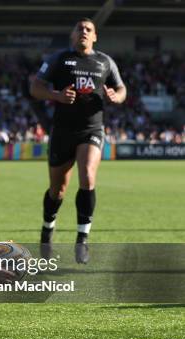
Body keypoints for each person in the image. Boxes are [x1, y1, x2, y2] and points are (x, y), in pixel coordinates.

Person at [30, 18, 126, 263]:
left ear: (95, 37)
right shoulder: (58, 59)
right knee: (57, 190)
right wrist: (56, 95)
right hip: (63, 131)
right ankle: (47, 229)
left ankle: (82, 239)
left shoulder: (105, 62)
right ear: (72, 36)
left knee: (87, 176)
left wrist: (116, 96)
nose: (83, 32)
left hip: (92, 129)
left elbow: (122, 89)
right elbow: (36, 88)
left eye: (88, 29)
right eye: (79, 29)